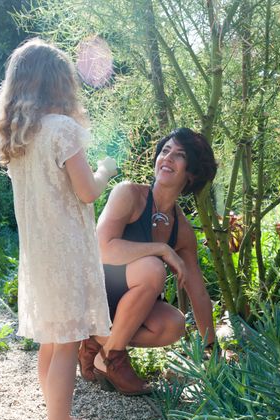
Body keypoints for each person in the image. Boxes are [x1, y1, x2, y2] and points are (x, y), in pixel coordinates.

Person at [0, 38, 117, 420]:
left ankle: (60, 417)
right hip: (66, 252)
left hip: (38, 254)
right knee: (67, 343)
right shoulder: (62, 130)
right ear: (60, 83)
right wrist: (105, 170)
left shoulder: (19, 140)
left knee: (52, 339)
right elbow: (86, 191)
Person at [78, 128, 218, 395]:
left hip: (122, 307)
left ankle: (99, 348)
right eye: (165, 151)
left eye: (179, 155)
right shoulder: (128, 194)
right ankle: (113, 358)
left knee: (174, 325)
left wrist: (211, 346)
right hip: (90, 295)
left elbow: (197, 290)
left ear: (192, 174)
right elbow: (101, 250)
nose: (167, 158)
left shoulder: (182, 229)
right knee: (153, 267)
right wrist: (162, 249)